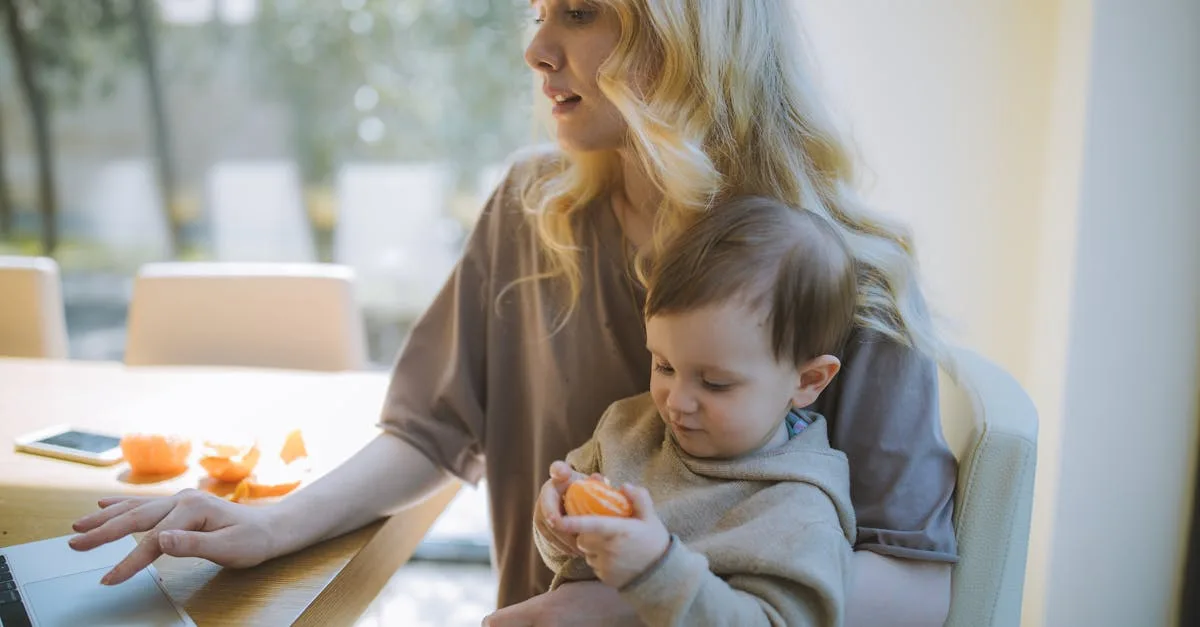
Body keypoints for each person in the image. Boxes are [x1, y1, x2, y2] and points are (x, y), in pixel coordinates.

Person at [69, 1, 959, 625]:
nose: (536, 51)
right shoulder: (533, 209)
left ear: (690, 32)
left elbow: (916, 589)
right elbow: (431, 430)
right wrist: (273, 522)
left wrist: (638, 605)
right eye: (540, 11)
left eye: (580, 12)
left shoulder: (846, 270)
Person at [535, 198, 859, 626]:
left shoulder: (798, 512)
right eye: (664, 366)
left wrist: (656, 569)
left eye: (715, 383)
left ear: (808, 381)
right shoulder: (629, 429)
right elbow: (566, 557)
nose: (675, 401)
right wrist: (557, 521)